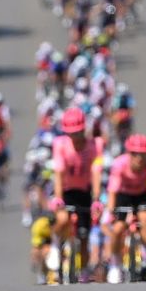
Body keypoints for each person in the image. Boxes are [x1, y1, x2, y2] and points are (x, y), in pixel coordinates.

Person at [48, 106, 104, 281]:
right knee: (62, 219)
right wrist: (58, 198)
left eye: (78, 133)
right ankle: (55, 245)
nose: (75, 137)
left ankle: (84, 271)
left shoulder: (95, 145)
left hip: (84, 192)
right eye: (71, 133)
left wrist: (96, 199)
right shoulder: (60, 144)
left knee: (84, 236)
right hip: (65, 190)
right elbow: (59, 172)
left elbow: (96, 172)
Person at [104, 133, 146, 283]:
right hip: (124, 195)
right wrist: (111, 211)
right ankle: (115, 264)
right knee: (118, 228)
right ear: (129, 153)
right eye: (135, 154)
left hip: (142, 195)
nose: (139, 158)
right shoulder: (119, 164)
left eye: (143, 154)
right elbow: (112, 190)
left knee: (145, 218)